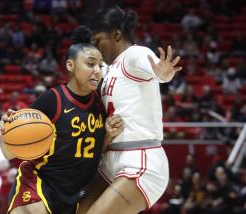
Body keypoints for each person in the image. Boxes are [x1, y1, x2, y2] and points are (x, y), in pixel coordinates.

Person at [0, 27, 123, 214]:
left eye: (100, 65)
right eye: (90, 64)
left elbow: (95, 151)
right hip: (39, 185)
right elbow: (9, 154)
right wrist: (5, 133)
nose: (97, 71)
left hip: (77, 193)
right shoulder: (52, 99)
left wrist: (107, 136)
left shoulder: (101, 102)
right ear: (70, 66)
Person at [78, 6, 182, 214]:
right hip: (110, 162)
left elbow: (154, 69)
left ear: (116, 34)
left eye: (98, 41)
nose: (96, 48)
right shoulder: (108, 69)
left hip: (140, 160)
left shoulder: (134, 55)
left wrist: (163, 74)